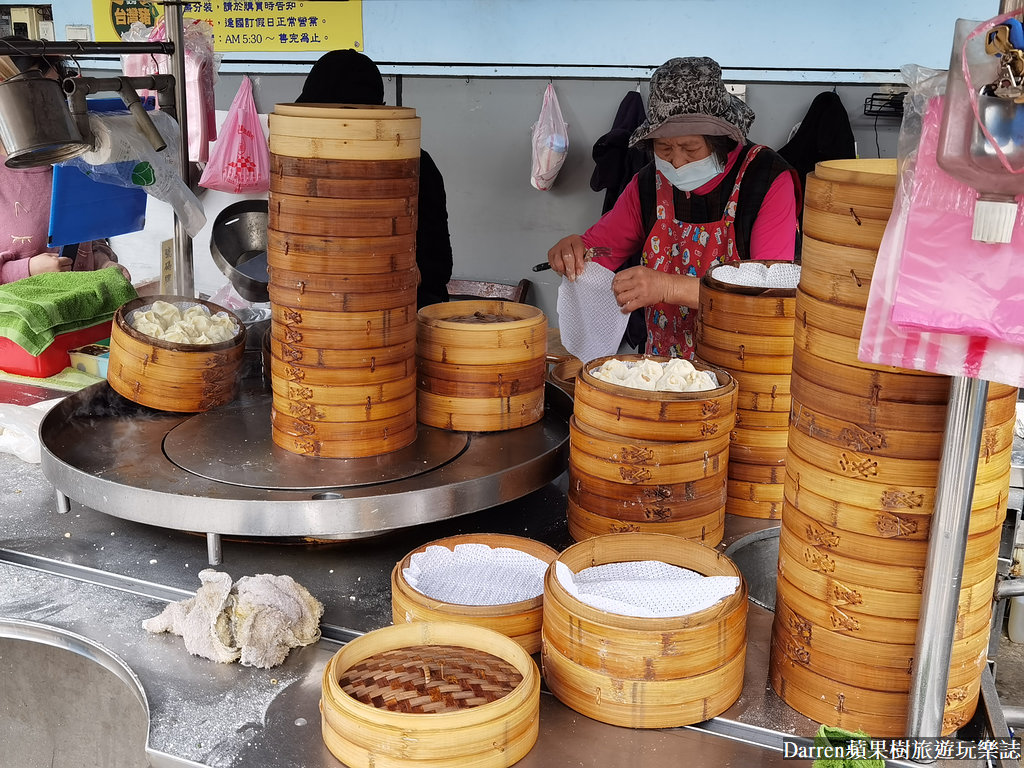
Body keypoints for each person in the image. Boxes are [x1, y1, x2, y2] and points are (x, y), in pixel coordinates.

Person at [547, 56, 798, 359]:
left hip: (743, 366)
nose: (676, 162)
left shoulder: (766, 179)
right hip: (662, 368)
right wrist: (576, 250)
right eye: (664, 149)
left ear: (720, 139)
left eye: (690, 148)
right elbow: (602, 251)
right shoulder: (649, 183)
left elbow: (770, 291)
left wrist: (668, 288)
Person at [296, 49, 454, 309]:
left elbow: (437, 266)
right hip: (319, 316)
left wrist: (400, 275)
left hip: (401, 315)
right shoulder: (306, 167)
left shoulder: (414, 165)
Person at [0, 36, 129, 285]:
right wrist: (26, 269)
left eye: (55, 94)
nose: (50, 108)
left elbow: (90, 236)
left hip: (77, 309)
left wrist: (104, 262)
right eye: (36, 96)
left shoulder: (74, 162)